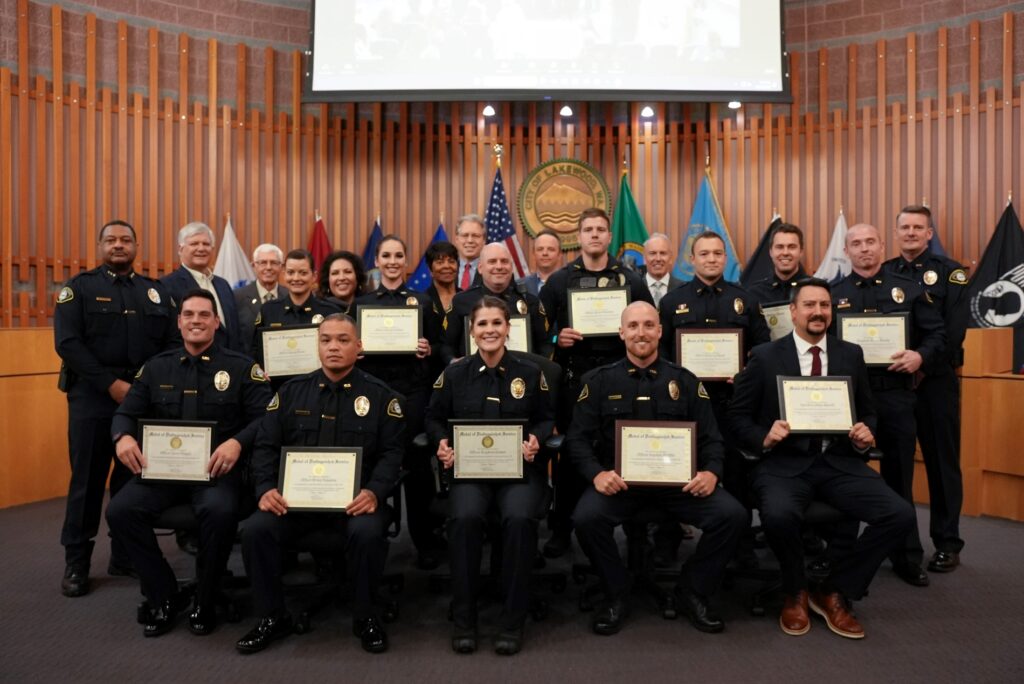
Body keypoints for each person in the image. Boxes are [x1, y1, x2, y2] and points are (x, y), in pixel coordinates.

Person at [728, 278, 916, 639]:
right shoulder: (765, 357)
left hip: (839, 462)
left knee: (900, 515)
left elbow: (868, 411)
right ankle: (794, 590)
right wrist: (763, 436)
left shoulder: (851, 354)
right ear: (793, 312)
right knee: (779, 515)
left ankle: (834, 589)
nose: (818, 312)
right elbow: (737, 418)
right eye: (810, 305)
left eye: (825, 306)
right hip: (783, 464)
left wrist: (865, 434)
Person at [567, 302, 746, 636]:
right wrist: (597, 474)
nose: (641, 333)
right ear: (621, 333)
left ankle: (693, 589)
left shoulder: (686, 381)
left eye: (649, 325)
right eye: (633, 326)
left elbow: (712, 439)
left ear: (660, 331)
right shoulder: (598, 382)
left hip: (678, 487)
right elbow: (577, 440)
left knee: (732, 515)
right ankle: (616, 591)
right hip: (620, 486)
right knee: (585, 519)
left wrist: (711, 473)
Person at [106, 290, 272, 637]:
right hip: (163, 473)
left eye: (203, 315)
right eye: (189, 315)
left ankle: (206, 599)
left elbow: (266, 420)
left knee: (219, 512)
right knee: (120, 510)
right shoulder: (155, 368)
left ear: (216, 322)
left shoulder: (242, 368)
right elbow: (125, 412)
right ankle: (165, 594)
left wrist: (236, 442)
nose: (196, 320)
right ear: (179, 322)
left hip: (216, 473)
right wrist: (123, 437)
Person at [236, 314, 404, 655]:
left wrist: (374, 492)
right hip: (297, 506)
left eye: (343, 340)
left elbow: (393, 454)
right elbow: (266, 446)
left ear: (359, 347)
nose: (333, 347)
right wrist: (265, 488)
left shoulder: (381, 397)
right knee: (255, 529)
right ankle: (273, 616)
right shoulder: (291, 393)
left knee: (367, 534)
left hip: (356, 504)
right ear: (317, 345)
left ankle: (365, 616)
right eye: (326, 340)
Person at [54, 219, 179, 597]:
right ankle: (76, 561)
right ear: (100, 246)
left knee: (131, 480)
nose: (119, 245)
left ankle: (124, 555)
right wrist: (112, 385)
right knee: (87, 482)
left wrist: (142, 389)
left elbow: (170, 345)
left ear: (136, 247)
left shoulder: (154, 293)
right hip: (92, 397)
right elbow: (68, 344)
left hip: (141, 400)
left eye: (126, 240)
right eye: (111, 240)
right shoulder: (79, 289)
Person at [426, 296, 555, 655]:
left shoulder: (530, 373)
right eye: (482, 324)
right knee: (465, 518)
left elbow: (546, 418)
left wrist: (536, 439)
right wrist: (440, 443)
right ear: (472, 331)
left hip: (519, 470)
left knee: (518, 519)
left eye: (497, 323)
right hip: (471, 473)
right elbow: (433, 417)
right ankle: (465, 617)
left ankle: (513, 620)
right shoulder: (454, 373)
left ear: (508, 328)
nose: (490, 330)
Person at [831, 223, 946, 587]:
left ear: (882, 246)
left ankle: (907, 555)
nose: (864, 249)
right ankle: (840, 550)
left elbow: (936, 334)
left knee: (900, 477)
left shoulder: (909, 290)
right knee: (844, 476)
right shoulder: (832, 294)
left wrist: (920, 357)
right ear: (846, 252)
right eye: (856, 244)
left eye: (870, 242)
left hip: (894, 396)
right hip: (845, 400)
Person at [538, 208, 653, 558]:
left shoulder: (630, 279)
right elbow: (539, 336)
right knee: (573, 456)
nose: (595, 235)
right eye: (588, 229)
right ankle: (562, 528)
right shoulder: (560, 281)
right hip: (576, 381)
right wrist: (559, 338)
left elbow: (648, 324)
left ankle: (637, 531)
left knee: (629, 449)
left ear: (608, 236)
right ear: (579, 235)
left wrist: (632, 335)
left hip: (626, 376)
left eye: (601, 229)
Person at [657, 230, 770, 561]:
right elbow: (661, 355)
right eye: (703, 254)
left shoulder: (745, 299)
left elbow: (763, 349)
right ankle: (668, 537)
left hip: (731, 402)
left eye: (717, 254)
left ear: (726, 259)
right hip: (685, 406)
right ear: (691, 260)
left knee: (735, 473)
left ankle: (740, 542)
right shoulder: (671, 302)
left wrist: (746, 372)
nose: (710, 259)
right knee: (676, 471)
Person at [352, 235, 447, 569]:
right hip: (371, 396)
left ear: (406, 263)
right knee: (371, 465)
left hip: (413, 395)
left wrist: (428, 349)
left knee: (418, 469)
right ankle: (368, 542)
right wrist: (356, 350)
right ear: (377, 261)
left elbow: (440, 346)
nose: (392, 261)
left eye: (399, 256)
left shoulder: (422, 302)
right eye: (386, 256)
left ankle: (425, 541)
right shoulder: (361, 303)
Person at [884, 204, 968, 573]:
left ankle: (948, 542)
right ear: (897, 231)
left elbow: (954, 331)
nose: (912, 233)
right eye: (905, 227)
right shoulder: (885, 273)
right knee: (896, 466)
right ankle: (902, 545)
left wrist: (922, 362)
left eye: (919, 227)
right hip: (892, 383)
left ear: (930, 233)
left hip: (935, 383)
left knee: (942, 462)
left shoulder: (951, 275)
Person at [443, 242, 552, 363]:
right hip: (473, 377)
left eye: (504, 261)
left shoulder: (530, 301)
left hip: (521, 378)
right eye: (492, 261)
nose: (499, 266)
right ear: (480, 268)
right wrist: (453, 361)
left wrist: (538, 369)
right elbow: (445, 346)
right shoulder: (461, 301)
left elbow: (545, 345)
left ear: (511, 267)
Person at [251, 249, 342, 387]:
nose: (296, 278)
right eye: (291, 272)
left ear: (314, 276)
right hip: (278, 389)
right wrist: (259, 370)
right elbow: (255, 350)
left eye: (303, 273)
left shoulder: (330, 312)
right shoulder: (269, 310)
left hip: (320, 388)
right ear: (283, 274)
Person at [160, 222, 242, 352]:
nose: (201, 248)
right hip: (190, 366)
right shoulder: (166, 286)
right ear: (180, 249)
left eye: (206, 244)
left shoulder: (223, 285)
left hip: (229, 365)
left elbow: (235, 330)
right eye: (194, 244)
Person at [234, 243, 284, 355]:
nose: (268, 267)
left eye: (274, 263)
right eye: (263, 263)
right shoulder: (237, 297)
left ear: (281, 266)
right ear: (254, 266)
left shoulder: (289, 296)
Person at [748, 223, 809, 308]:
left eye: (792, 247)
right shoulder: (754, 293)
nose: (785, 252)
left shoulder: (816, 290)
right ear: (771, 252)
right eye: (779, 247)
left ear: (801, 252)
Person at [642, 233, 683, 308]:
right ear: (644, 258)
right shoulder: (635, 288)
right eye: (653, 253)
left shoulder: (684, 289)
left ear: (670, 258)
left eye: (663, 253)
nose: (658, 258)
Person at [519, 229, 563, 296]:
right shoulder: (519, 286)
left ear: (559, 254)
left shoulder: (570, 284)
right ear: (533, 254)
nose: (545, 253)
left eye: (551, 249)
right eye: (540, 249)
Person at [424, 240, 460, 319]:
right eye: (440, 262)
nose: (447, 266)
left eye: (451, 261)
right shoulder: (423, 301)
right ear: (430, 270)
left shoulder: (466, 298)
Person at [454, 214, 486, 290]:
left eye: (475, 236)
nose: (470, 240)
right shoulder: (448, 269)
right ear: (456, 239)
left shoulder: (490, 269)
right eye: (465, 235)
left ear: (484, 240)